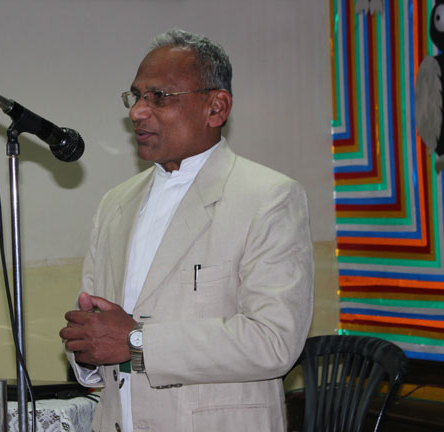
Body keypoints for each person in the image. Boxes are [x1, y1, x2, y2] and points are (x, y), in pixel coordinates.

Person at [59, 28, 314, 432]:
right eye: (136, 96)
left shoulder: (267, 198)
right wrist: (86, 350)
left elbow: (274, 340)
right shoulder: (115, 204)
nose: (137, 112)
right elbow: (96, 327)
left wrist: (137, 341)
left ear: (216, 107)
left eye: (159, 97)